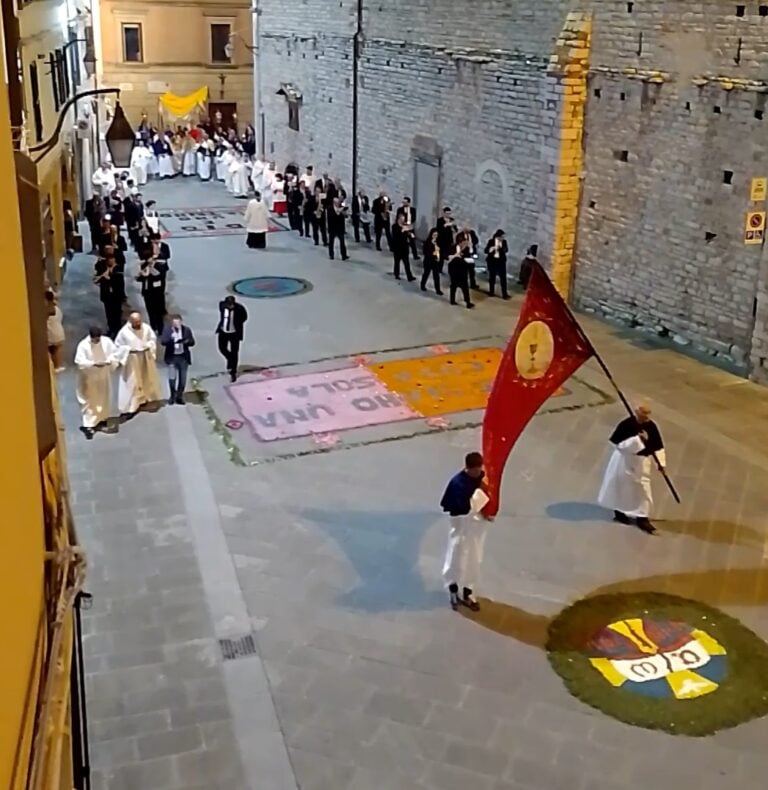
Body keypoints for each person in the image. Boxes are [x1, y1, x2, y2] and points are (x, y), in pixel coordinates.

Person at [598, 403, 667, 535]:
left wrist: (661, 463)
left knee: (643, 489)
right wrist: (638, 440)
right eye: (643, 414)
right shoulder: (626, 424)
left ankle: (642, 517)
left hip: (642, 462)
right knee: (621, 488)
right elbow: (619, 444)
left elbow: (658, 446)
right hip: (624, 461)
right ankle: (620, 512)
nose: (645, 417)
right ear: (637, 412)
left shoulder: (651, 426)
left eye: (647, 414)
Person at [440, 452, 492, 611]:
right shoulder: (458, 484)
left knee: (474, 559)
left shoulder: (481, 477)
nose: (478, 473)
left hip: (475, 527)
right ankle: (453, 589)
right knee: (456, 557)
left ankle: (468, 591)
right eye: (475, 470)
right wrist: (481, 493)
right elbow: (464, 508)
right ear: (468, 468)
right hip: (461, 526)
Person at [74, 326, 120, 439]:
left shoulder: (106, 341)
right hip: (89, 377)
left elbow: (114, 354)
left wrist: (109, 361)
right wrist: (93, 364)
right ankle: (88, 425)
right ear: (91, 337)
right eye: (95, 339)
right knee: (90, 399)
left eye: (98, 338)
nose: (97, 341)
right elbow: (80, 361)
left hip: (103, 375)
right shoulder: (83, 345)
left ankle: (102, 418)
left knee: (104, 397)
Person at [114, 312, 163, 417]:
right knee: (132, 383)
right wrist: (128, 349)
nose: (138, 324)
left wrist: (149, 345)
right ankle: (131, 407)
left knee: (145, 379)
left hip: (145, 357)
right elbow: (118, 346)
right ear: (130, 322)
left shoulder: (145, 328)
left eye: (139, 321)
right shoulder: (124, 332)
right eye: (136, 322)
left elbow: (152, 339)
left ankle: (144, 399)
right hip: (132, 359)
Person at [159, 314, 195, 405]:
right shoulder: (168, 330)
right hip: (172, 357)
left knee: (182, 379)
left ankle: (179, 395)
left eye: (178, 323)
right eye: (175, 324)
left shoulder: (186, 330)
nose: (177, 325)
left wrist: (187, 341)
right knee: (172, 378)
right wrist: (171, 338)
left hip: (183, 357)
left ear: (181, 322)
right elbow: (163, 342)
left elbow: (192, 342)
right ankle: (172, 395)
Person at [216, 295, 248, 382]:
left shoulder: (240, 309)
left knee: (235, 352)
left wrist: (237, 323)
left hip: (234, 334)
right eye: (228, 305)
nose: (230, 306)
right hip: (223, 332)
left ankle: (233, 372)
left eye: (231, 305)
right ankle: (230, 359)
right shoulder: (222, 305)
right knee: (222, 348)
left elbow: (244, 318)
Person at [135, 253, 168, 335]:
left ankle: (160, 328)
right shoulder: (144, 266)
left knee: (158, 311)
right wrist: (141, 274)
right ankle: (153, 327)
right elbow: (140, 278)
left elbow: (158, 275)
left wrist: (151, 268)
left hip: (157, 292)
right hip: (147, 292)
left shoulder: (160, 265)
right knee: (150, 311)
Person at [93, 251, 123, 337]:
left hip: (116, 297)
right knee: (109, 314)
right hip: (106, 296)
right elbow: (96, 279)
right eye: (109, 260)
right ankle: (111, 329)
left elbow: (119, 282)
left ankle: (117, 331)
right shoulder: (103, 268)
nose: (111, 261)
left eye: (112, 259)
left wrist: (110, 278)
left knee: (116, 314)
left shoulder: (118, 269)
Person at [448, 238, 474, 308]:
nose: (466, 244)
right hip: (453, 269)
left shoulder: (467, 249)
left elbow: (470, 256)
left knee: (465, 287)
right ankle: (452, 300)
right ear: (460, 243)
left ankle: (468, 302)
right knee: (453, 285)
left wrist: (470, 249)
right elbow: (447, 256)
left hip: (462, 269)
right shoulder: (453, 247)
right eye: (464, 243)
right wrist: (454, 255)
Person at [485, 229, 510, 299]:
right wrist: (492, 248)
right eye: (502, 237)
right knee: (492, 277)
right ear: (498, 236)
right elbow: (486, 250)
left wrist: (501, 247)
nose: (503, 238)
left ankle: (504, 294)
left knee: (503, 278)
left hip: (501, 262)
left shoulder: (504, 242)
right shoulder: (491, 241)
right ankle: (491, 292)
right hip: (492, 261)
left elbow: (506, 250)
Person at [45, 291, 66, 371]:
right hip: (59, 332)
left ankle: (56, 366)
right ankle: (58, 366)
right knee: (57, 351)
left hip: (52, 333)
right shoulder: (57, 309)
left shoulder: (49, 311)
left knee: (54, 351)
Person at [391, 214, 415, 281]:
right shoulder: (394, 226)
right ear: (398, 219)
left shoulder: (405, 226)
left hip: (404, 247)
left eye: (403, 219)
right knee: (397, 262)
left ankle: (409, 276)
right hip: (397, 247)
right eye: (401, 219)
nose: (402, 221)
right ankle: (396, 274)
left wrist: (410, 234)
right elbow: (395, 236)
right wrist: (402, 230)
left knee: (407, 263)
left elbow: (408, 235)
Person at [420, 228, 443, 294]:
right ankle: (422, 285)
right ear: (431, 235)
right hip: (428, 261)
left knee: (436, 276)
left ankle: (438, 290)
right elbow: (425, 252)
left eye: (436, 235)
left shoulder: (438, 242)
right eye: (434, 235)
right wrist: (432, 253)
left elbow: (440, 250)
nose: (435, 236)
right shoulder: (427, 242)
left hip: (435, 261)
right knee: (426, 274)